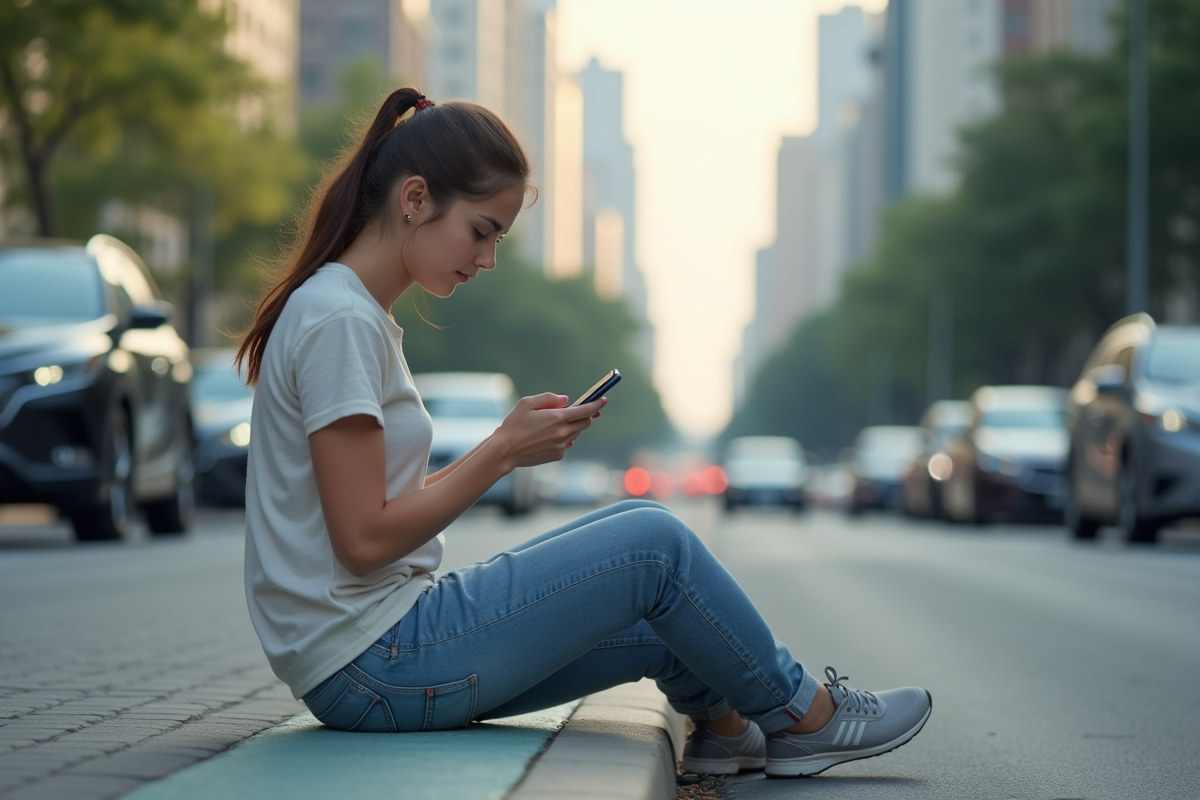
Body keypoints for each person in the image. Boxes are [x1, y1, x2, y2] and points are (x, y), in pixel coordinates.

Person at [236, 88, 931, 779]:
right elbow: (362, 542)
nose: (486, 259)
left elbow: (377, 514)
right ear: (414, 198)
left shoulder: (349, 313)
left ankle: (726, 730)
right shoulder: (340, 321)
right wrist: (505, 453)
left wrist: (504, 443)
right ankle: (806, 716)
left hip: (379, 652)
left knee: (645, 556)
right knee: (653, 546)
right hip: (375, 664)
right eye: (482, 231)